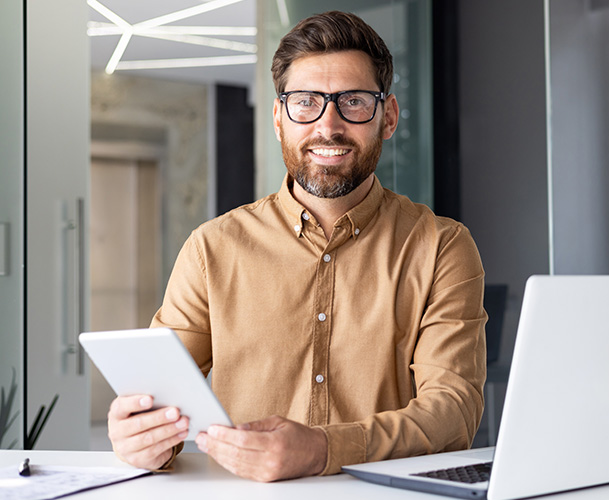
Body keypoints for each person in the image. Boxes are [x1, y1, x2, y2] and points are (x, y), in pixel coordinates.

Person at [106, 11, 487, 482]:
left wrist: (325, 448)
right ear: (279, 118)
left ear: (387, 117)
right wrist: (142, 439)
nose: (328, 125)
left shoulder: (442, 247)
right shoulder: (212, 249)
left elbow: (454, 412)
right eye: (306, 102)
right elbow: (159, 402)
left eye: (353, 101)